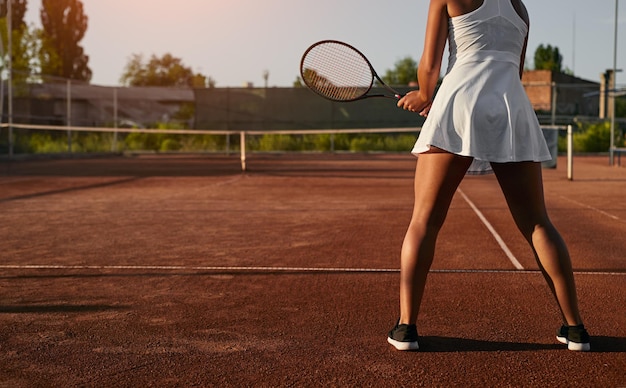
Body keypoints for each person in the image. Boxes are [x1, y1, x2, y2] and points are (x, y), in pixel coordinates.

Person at [387, 0, 590, 352]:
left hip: (459, 102)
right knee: (538, 222)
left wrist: (423, 95)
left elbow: (430, 66)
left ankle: (406, 329)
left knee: (425, 220)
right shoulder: (520, 8)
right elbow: (517, 69)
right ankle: (576, 330)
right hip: (511, 106)